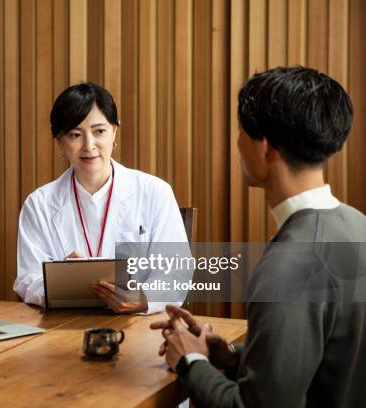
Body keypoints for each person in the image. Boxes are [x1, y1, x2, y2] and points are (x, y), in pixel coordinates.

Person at [150, 66, 366, 407]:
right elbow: (324, 362)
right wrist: (229, 355)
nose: (237, 143)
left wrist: (189, 361)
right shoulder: (357, 226)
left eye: (240, 131)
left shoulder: (289, 265)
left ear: (265, 148)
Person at [14, 82, 189, 314]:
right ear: (59, 142)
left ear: (114, 132)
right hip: (63, 326)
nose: (89, 146)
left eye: (99, 131)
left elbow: (176, 272)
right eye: (75, 134)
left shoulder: (155, 192)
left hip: (141, 325)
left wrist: (143, 298)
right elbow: (27, 278)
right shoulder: (39, 204)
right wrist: (60, 281)